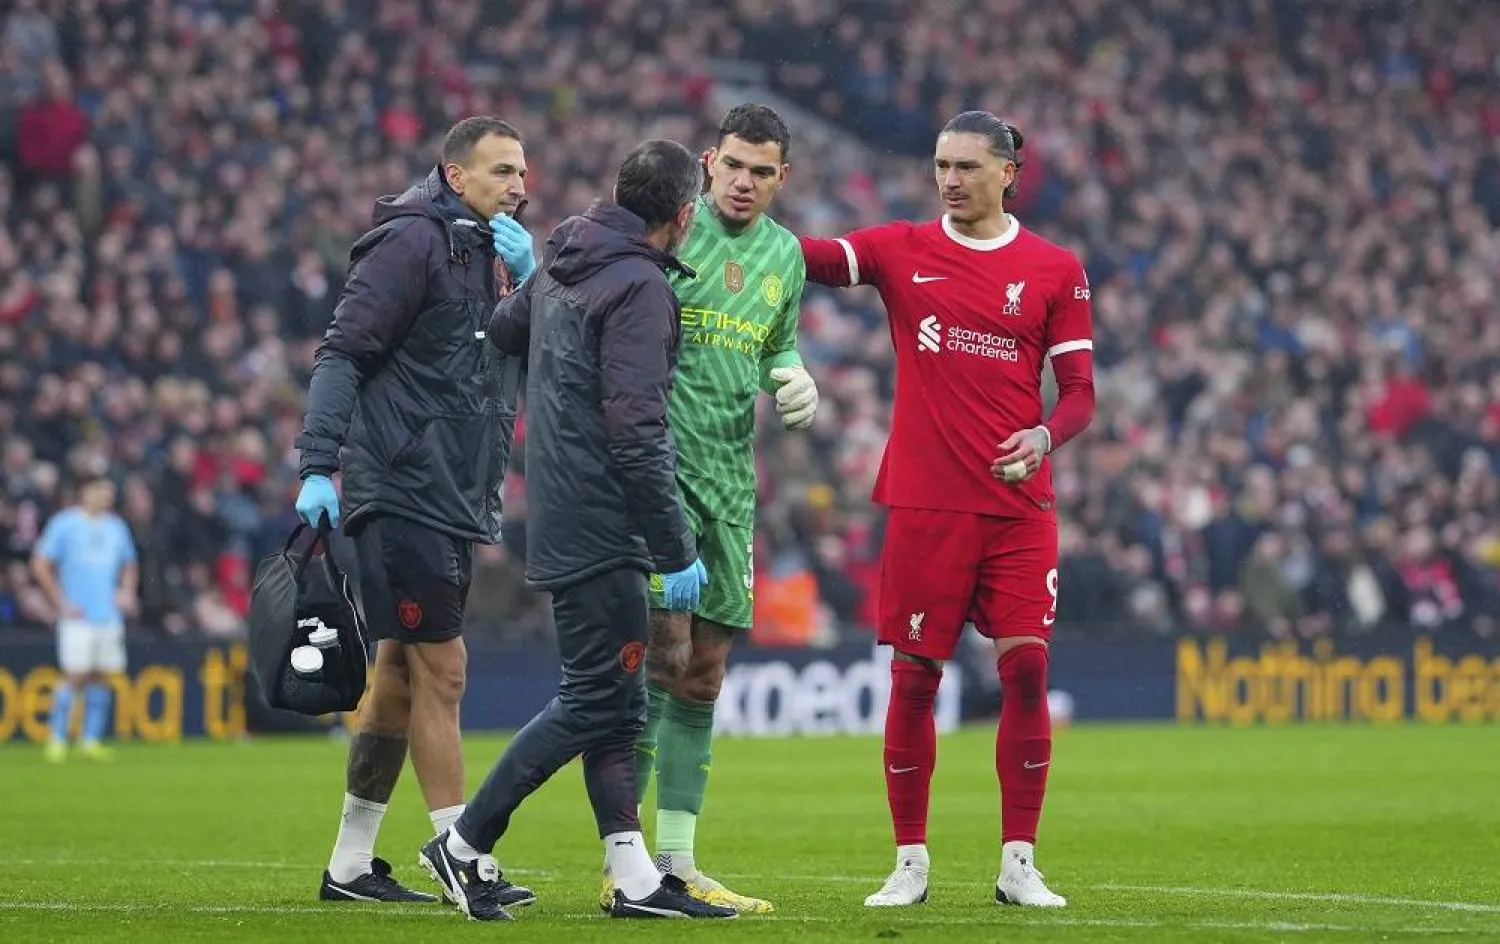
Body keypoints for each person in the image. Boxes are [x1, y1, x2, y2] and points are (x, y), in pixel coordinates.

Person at [417, 139, 735, 922]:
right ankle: (461, 846)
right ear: (683, 215)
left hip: (560, 510)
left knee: (618, 703)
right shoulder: (639, 287)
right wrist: (676, 547)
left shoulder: (564, 260)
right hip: (603, 521)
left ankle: (632, 881)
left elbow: (503, 329)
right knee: (596, 698)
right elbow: (636, 429)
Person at [799, 111, 1095, 909]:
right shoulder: (902, 248)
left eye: (966, 166)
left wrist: (1043, 433)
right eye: (941, 165)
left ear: (1007, 172)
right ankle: (909, 861)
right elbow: (813, 259)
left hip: (1017, 505)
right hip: (928, 503)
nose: (950, 179)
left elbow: (1079, 396)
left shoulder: (1055, 268)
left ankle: (1019, 861)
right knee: (914, 676)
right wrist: (736, 217)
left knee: (1028, 665)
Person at [294, 116, 535, 905]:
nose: (520, 186)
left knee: (398, 673)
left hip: (453, 490)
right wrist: (319, 464)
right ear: (456, 176)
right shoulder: (411, 243)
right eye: (502, 171)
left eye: (523, 172)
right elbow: (344, 352)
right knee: (445, 666)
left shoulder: (494, 255)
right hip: (401, 484)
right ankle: (462, 857)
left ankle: (350, 866)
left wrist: (532, 288)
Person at [604, 103, 815, 915]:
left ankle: (679, 860)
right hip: (662, 480)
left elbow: (774, 345)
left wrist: (793, 376)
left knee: (703, 677)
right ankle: (626, 864)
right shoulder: (667, 233)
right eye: (734, 166)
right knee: (662, 659)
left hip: (732, 483)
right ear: (708, 161)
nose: (745, 183)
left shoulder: (786, 256)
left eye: (763, 172)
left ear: (781, 179)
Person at [31, 476, 138, 763]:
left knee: (101, 676)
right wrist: (60, 601)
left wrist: (126, 591)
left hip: (108, 614)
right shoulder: (64, 524)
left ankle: (89, 740)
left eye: (110, 491)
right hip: (77, 615)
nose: (107, 496)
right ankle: (56, 738)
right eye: (102, 490)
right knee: (74, 674)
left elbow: (130, 562)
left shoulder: (116, 527)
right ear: (84, 492)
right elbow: (41, 563)